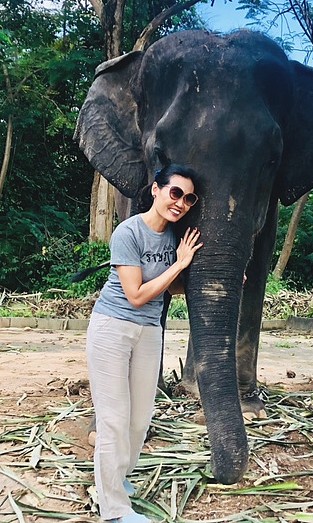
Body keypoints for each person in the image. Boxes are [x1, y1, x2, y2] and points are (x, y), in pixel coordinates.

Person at [86, 164, 202, 523]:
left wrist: (214, 275)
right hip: (113, 329)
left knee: (140, 419)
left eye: (189, 198)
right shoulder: (129, 232)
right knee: (114, 419)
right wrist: (179, 263)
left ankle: (116, 479)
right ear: (156, 190)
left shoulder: (173, 239)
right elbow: (136, 294)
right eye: (175, 193)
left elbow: (172, 287)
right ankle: (114, 510)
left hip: (150, 331)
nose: (181, 202)